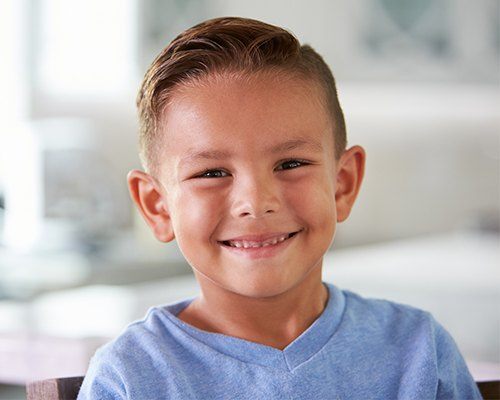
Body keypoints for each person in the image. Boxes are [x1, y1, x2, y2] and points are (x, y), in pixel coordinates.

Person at [77, 17, 481, 399]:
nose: (255, 203)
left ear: (343, 184)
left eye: (290, 164)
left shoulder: (419, 351)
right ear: (157, 207)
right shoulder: (131, 375)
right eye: (212, 172)